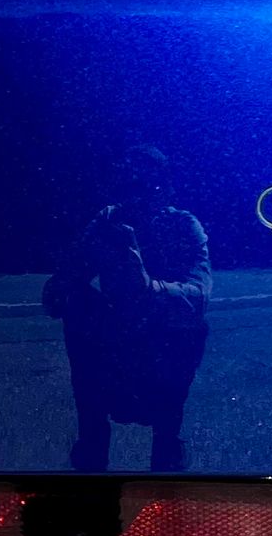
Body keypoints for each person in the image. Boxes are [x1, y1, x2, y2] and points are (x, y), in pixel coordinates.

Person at [42, 145, 212, 472]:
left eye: (148, 185)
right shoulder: (109, 222)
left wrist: (148, 288)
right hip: (115, 342)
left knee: (194, 328)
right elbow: (71, 272)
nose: (138, 195)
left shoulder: (182, 227)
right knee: (78, 300)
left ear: (165, 188)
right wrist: (60, 285)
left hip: (162, 343)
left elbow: (199, 297)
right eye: (131, 185)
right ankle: (92, 443)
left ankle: (166, 446)